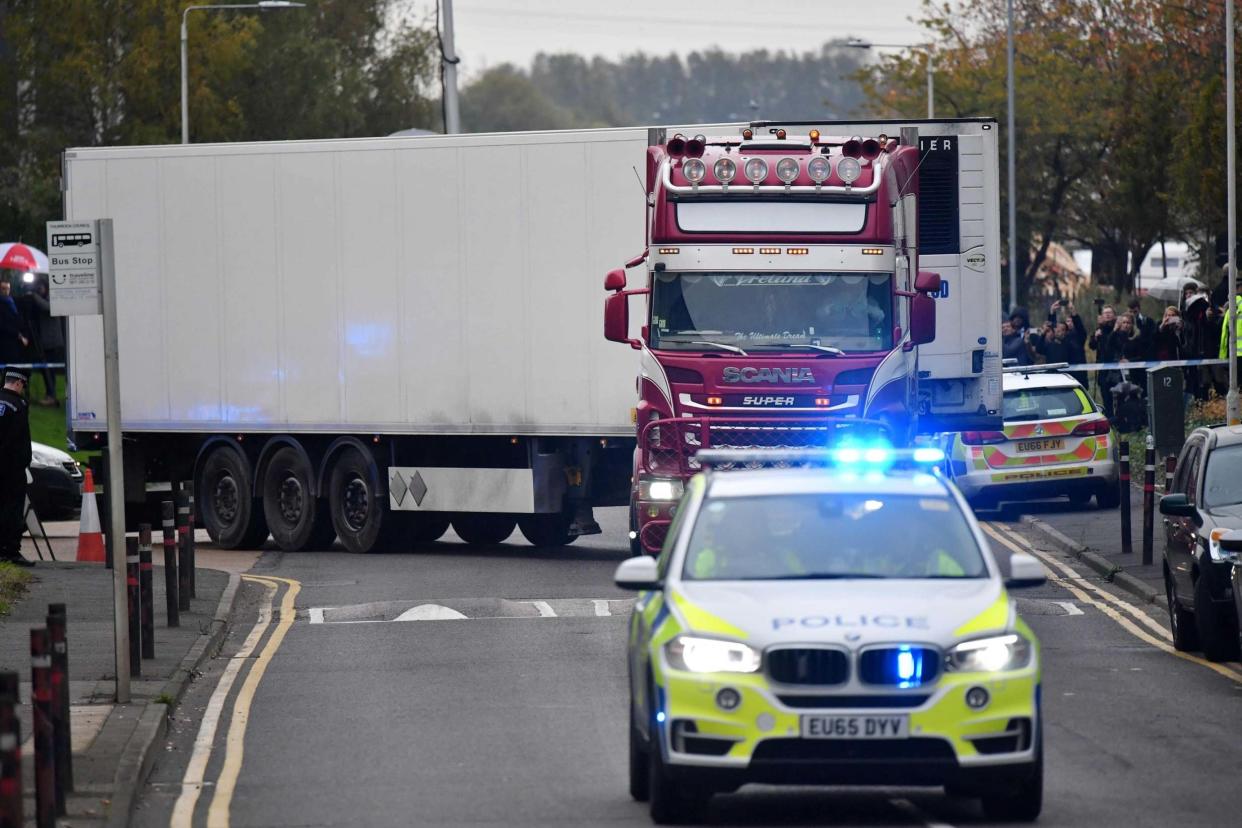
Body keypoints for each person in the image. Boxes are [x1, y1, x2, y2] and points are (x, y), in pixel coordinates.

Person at [0, 367, 34, 567]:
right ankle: (10, 551)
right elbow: (18, 440)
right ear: (20, 383)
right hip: (11, 469)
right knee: (12, 510)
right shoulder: (18, 405)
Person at [25, 279, 63, 406]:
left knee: (49, 371)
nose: (39, 290)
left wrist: (33, 296)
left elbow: (48, 308)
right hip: (44, 342)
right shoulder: (40, 299)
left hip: (52, 342)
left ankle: (51, 396)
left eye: (40, 288)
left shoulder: (53, 298)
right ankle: (49, 394)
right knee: (46, 370)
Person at [1089, 305, 1119, 417]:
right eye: (1105, 312)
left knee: (1119, 395)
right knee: (1106, 396)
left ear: (1114, 315)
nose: (1107, 314)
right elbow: (1091, 345)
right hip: (1103, 367)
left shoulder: (1118, 328)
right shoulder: (1099, 329)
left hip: (1116, 367)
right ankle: (1110, 418)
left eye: (1109, 312)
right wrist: (1096, 337)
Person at [0, 278, 31, 367]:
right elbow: (3, 325)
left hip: (17, 343)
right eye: (3, 288)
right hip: (6, 342)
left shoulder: (13, 302)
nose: (6, 291)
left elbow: (21, 320)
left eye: (8, 288)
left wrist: (25, 335)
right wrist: (19, 335)